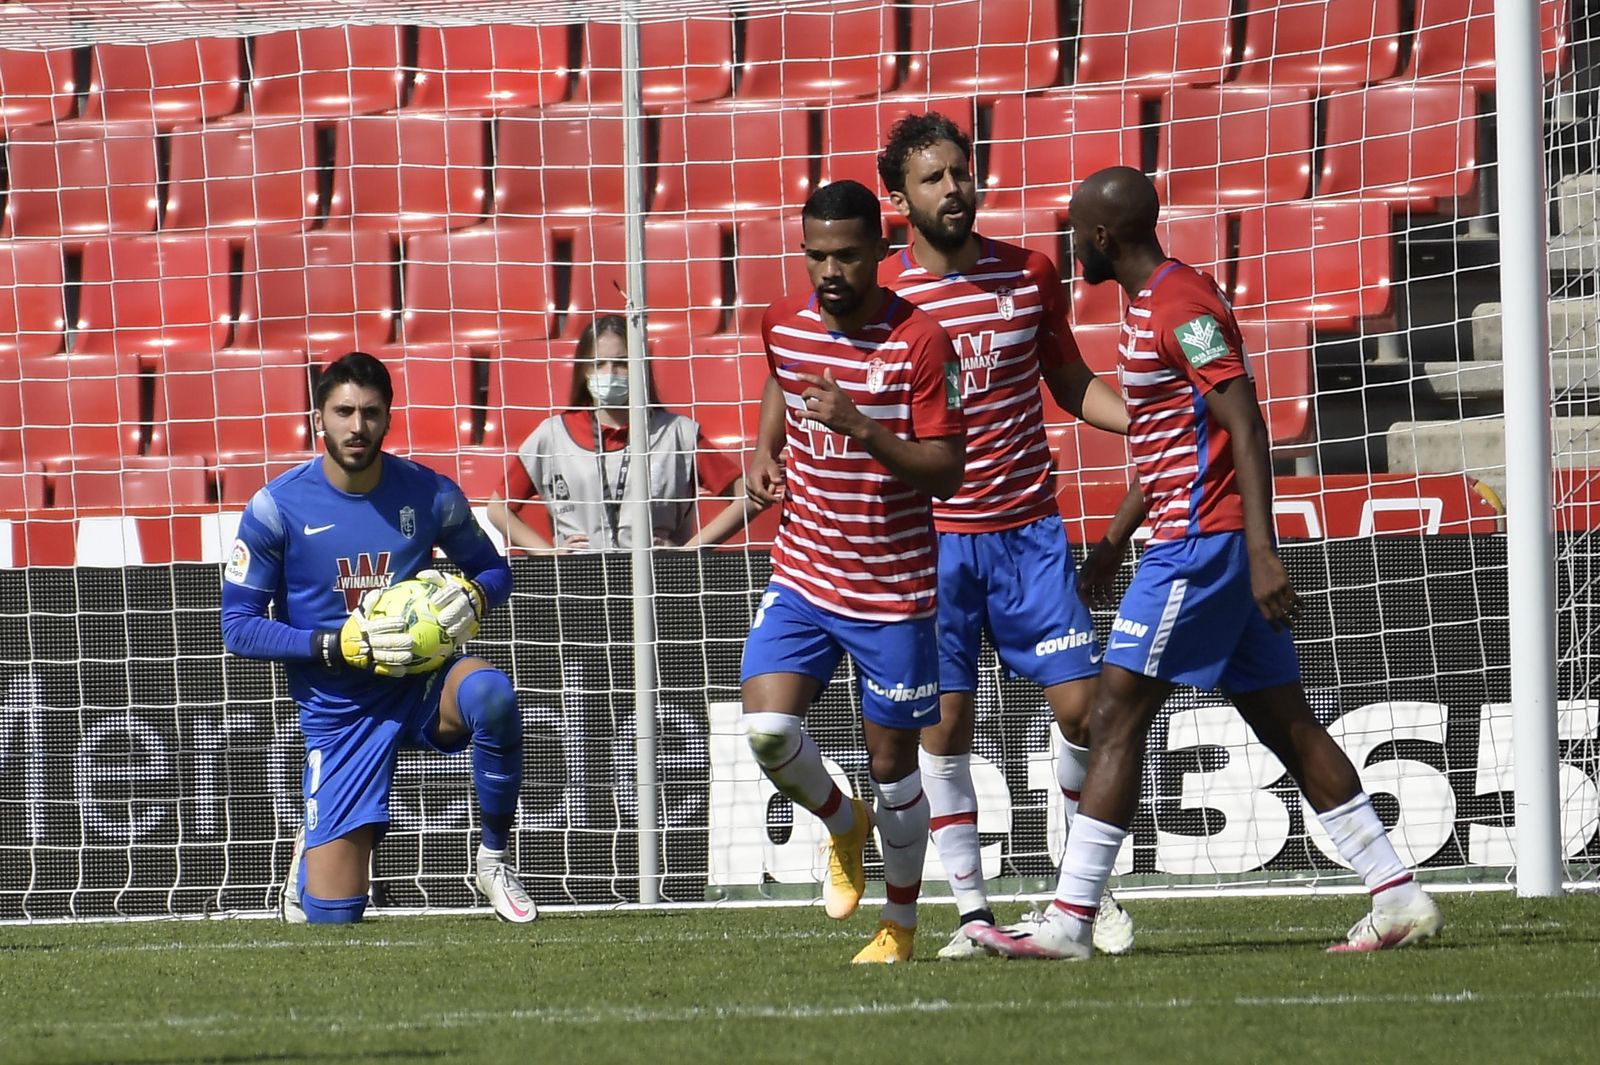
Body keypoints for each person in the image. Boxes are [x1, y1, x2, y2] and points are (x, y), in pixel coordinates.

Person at [972, 167, 1444, 960]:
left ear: (1100, 237)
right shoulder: (1147, 305)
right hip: (1184, 535)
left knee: (1116, 713)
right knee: (1284, 719)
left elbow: (1245, 422)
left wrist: (1261, 550)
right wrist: (1115, 542)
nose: (1069, 244)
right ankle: (1396, 893)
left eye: (1075, 230)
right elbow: (1169, 443)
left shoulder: (1181, 305)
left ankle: (1072, 919)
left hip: (1203, 546)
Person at [876, 112, 1135, 959]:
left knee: (1090, 712)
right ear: (899, 197)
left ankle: (1081, 892)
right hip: (931, 544)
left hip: (1026, 533)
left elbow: (1068, 380)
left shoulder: (1029, 273)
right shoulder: (882, 295)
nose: (953, 188)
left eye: (961, 172)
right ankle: (973, 915)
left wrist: (1143, 419)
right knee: (943, 730)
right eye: (932, 178)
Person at [220, 351, 536, 925]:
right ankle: (310, 859)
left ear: (389, 417)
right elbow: (238, 627)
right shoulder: (275, 509)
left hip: (423, 685)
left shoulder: (430, 494)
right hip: (339, 711)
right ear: (319, 418)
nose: (356, 426)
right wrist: (330, 645)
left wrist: (477, 596)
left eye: (369, 412)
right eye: (343, 412)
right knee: (332, 920)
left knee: (492, 694)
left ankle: (493, 860)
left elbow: (495, 569)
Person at [741, 179, 965, 964]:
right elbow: (780, 375)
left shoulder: (922, 343)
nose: (828, 271)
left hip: (894, 590)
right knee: (768, 730)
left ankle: (899, 930)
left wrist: (862, 427)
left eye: (843, 255)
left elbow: (945, 470)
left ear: (880, 249)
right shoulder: (785, 320)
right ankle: (843, 821)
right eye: (815, 256)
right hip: (804, 567)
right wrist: (766, 449)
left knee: (895, 768)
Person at [486, 315, 761, 552]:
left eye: (622, 363)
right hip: (579, 583)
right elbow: (497, 508)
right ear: (583, 370)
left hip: (660, 581)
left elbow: (749, 499)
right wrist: (547, 554)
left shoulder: (678, 433)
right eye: (599, 364)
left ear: (640, 366)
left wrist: (689, 552)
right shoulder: (552, 435)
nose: (610, 373)